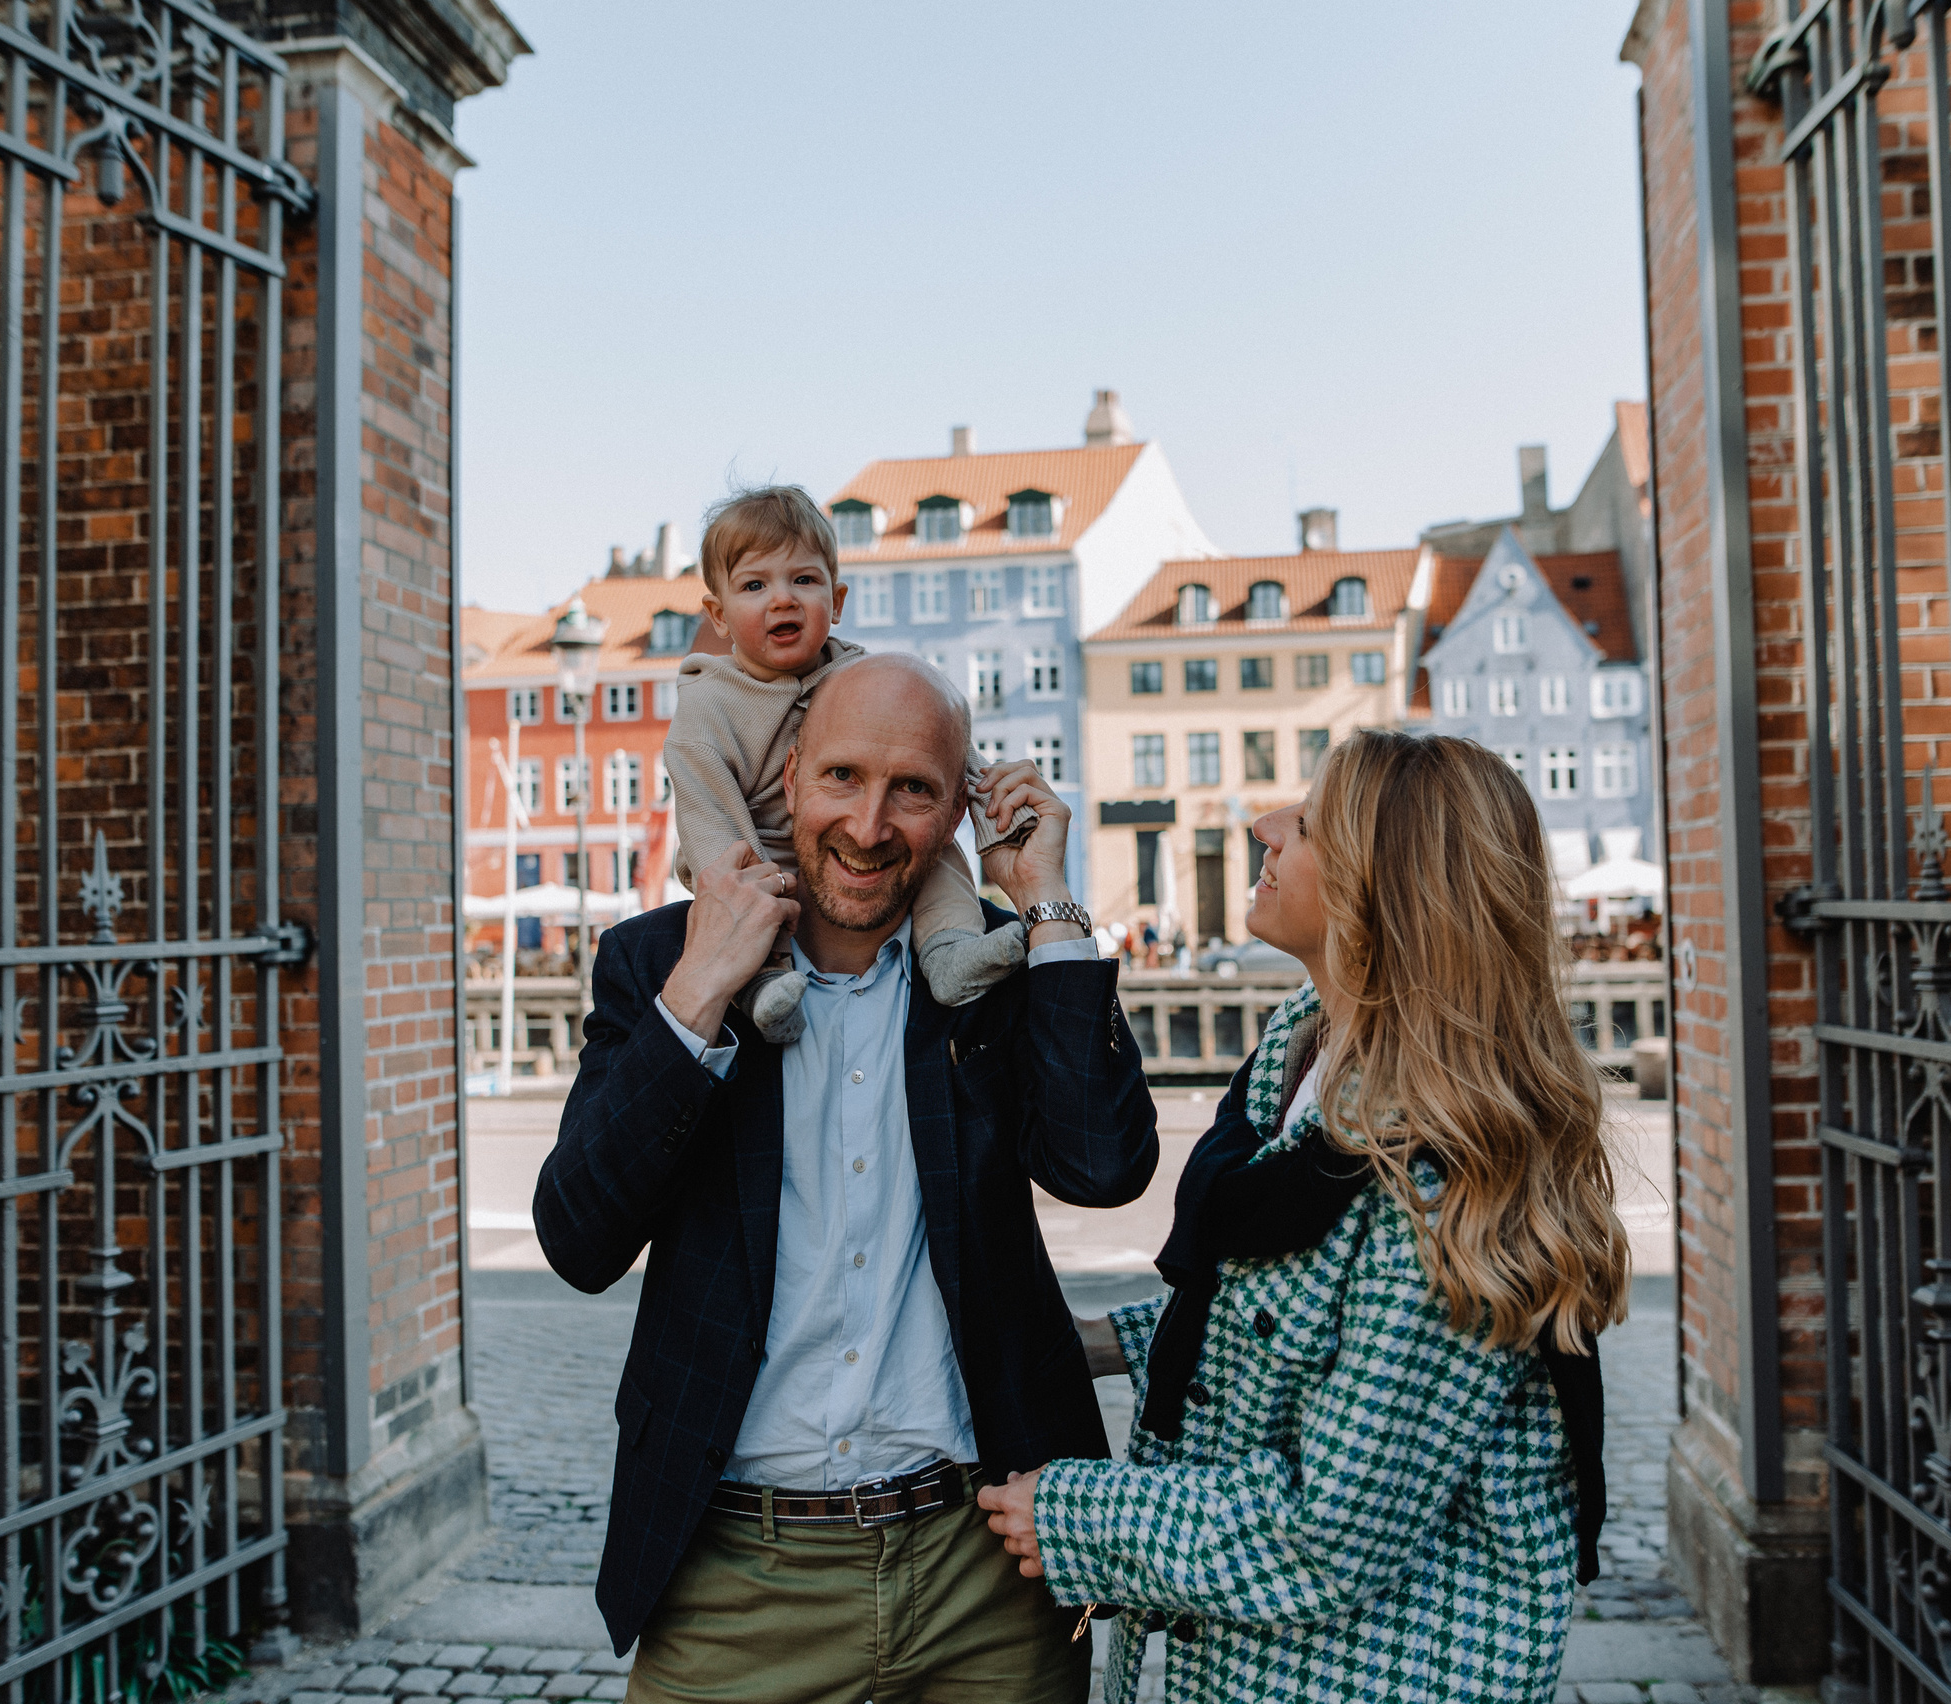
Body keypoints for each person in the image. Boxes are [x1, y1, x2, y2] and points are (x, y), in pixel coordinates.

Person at [533, 652, 1158, 1703]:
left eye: (912, 789)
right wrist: (701, 988)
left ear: (958, 807)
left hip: (985, 1574)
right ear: (788, 778)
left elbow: (1103, 1167)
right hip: (736, 1581)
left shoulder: (996, 973)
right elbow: (579, 1238)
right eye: (842, 779)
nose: (870, 827)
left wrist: (1045, 900)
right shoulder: (658, 963)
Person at [977, 730, 1630, 1704]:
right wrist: (1095, 1342)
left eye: (1311, 822)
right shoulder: (1306, 1061)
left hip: (1386, 1673)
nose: (1261, 827)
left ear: (1388, 891)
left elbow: (1328, 1535)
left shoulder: (1444, 1176)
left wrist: (1070, 1514)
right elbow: (1292, 1322)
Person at [662, 485, 1033, 1044]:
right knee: (739, 893)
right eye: (755, 584)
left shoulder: (858, 677)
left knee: (927, 844)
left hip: (862, 864)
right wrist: (756, 919)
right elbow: (709, 816)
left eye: (803, 580)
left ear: (836, 602)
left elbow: (943, 758)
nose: (782, 599)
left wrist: (1001, 812)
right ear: (718, 614)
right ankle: (764, 985)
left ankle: (950, 949)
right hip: (757, 853)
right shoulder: (707, 707)